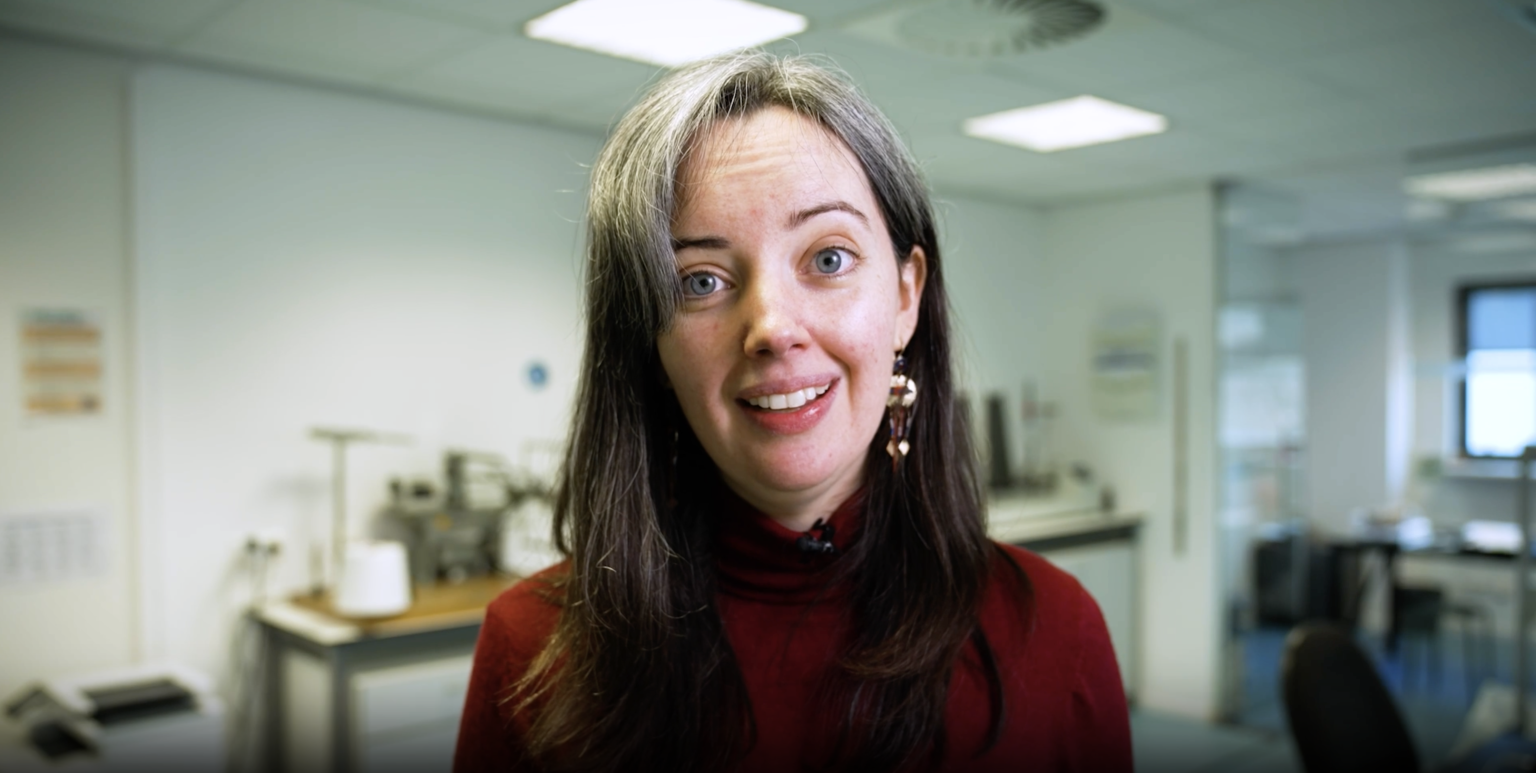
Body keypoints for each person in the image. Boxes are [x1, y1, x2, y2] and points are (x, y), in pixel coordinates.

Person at [454, 52, 1131, 773]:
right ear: (649, 341)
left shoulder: (1056, 632)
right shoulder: (531, 650)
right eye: (701, 281)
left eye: (828, 259)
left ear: (906, 296)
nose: (773, 328)